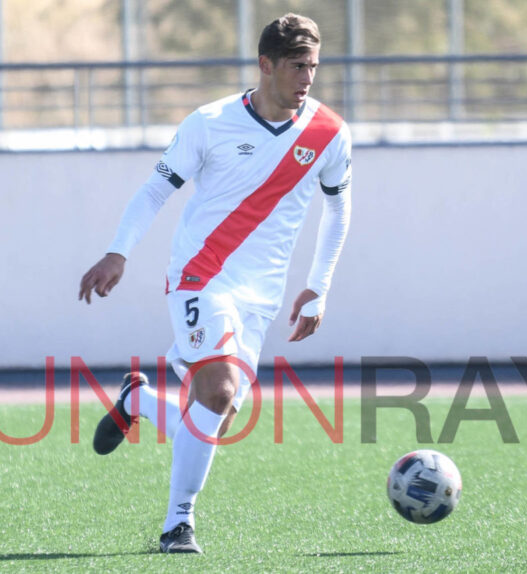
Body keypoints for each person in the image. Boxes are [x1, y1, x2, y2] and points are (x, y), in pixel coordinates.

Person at [77, 13, 352, 554]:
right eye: (298, 66)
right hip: (200, 277)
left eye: (314, 67)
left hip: (262, 295)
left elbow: (338, 211)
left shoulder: (329, 134)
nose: (307, 78)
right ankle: (178, 522)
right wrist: (118, 252)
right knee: (219, 391)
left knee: (214, 412)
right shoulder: (210, 122)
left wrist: (318, 287)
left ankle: (139, 400)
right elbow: (155, 191)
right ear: (265, 64)